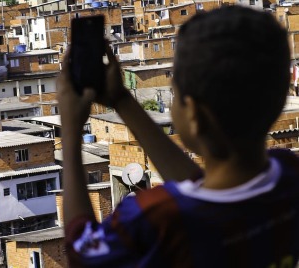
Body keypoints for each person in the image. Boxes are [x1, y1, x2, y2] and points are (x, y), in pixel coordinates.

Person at [57, 5, 299, 268]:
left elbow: (81, 250)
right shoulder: (289, 175)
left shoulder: (154, 218)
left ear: (193, 113)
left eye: (175, 95)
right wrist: (121, 100)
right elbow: (201, 191)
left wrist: (70, 131)